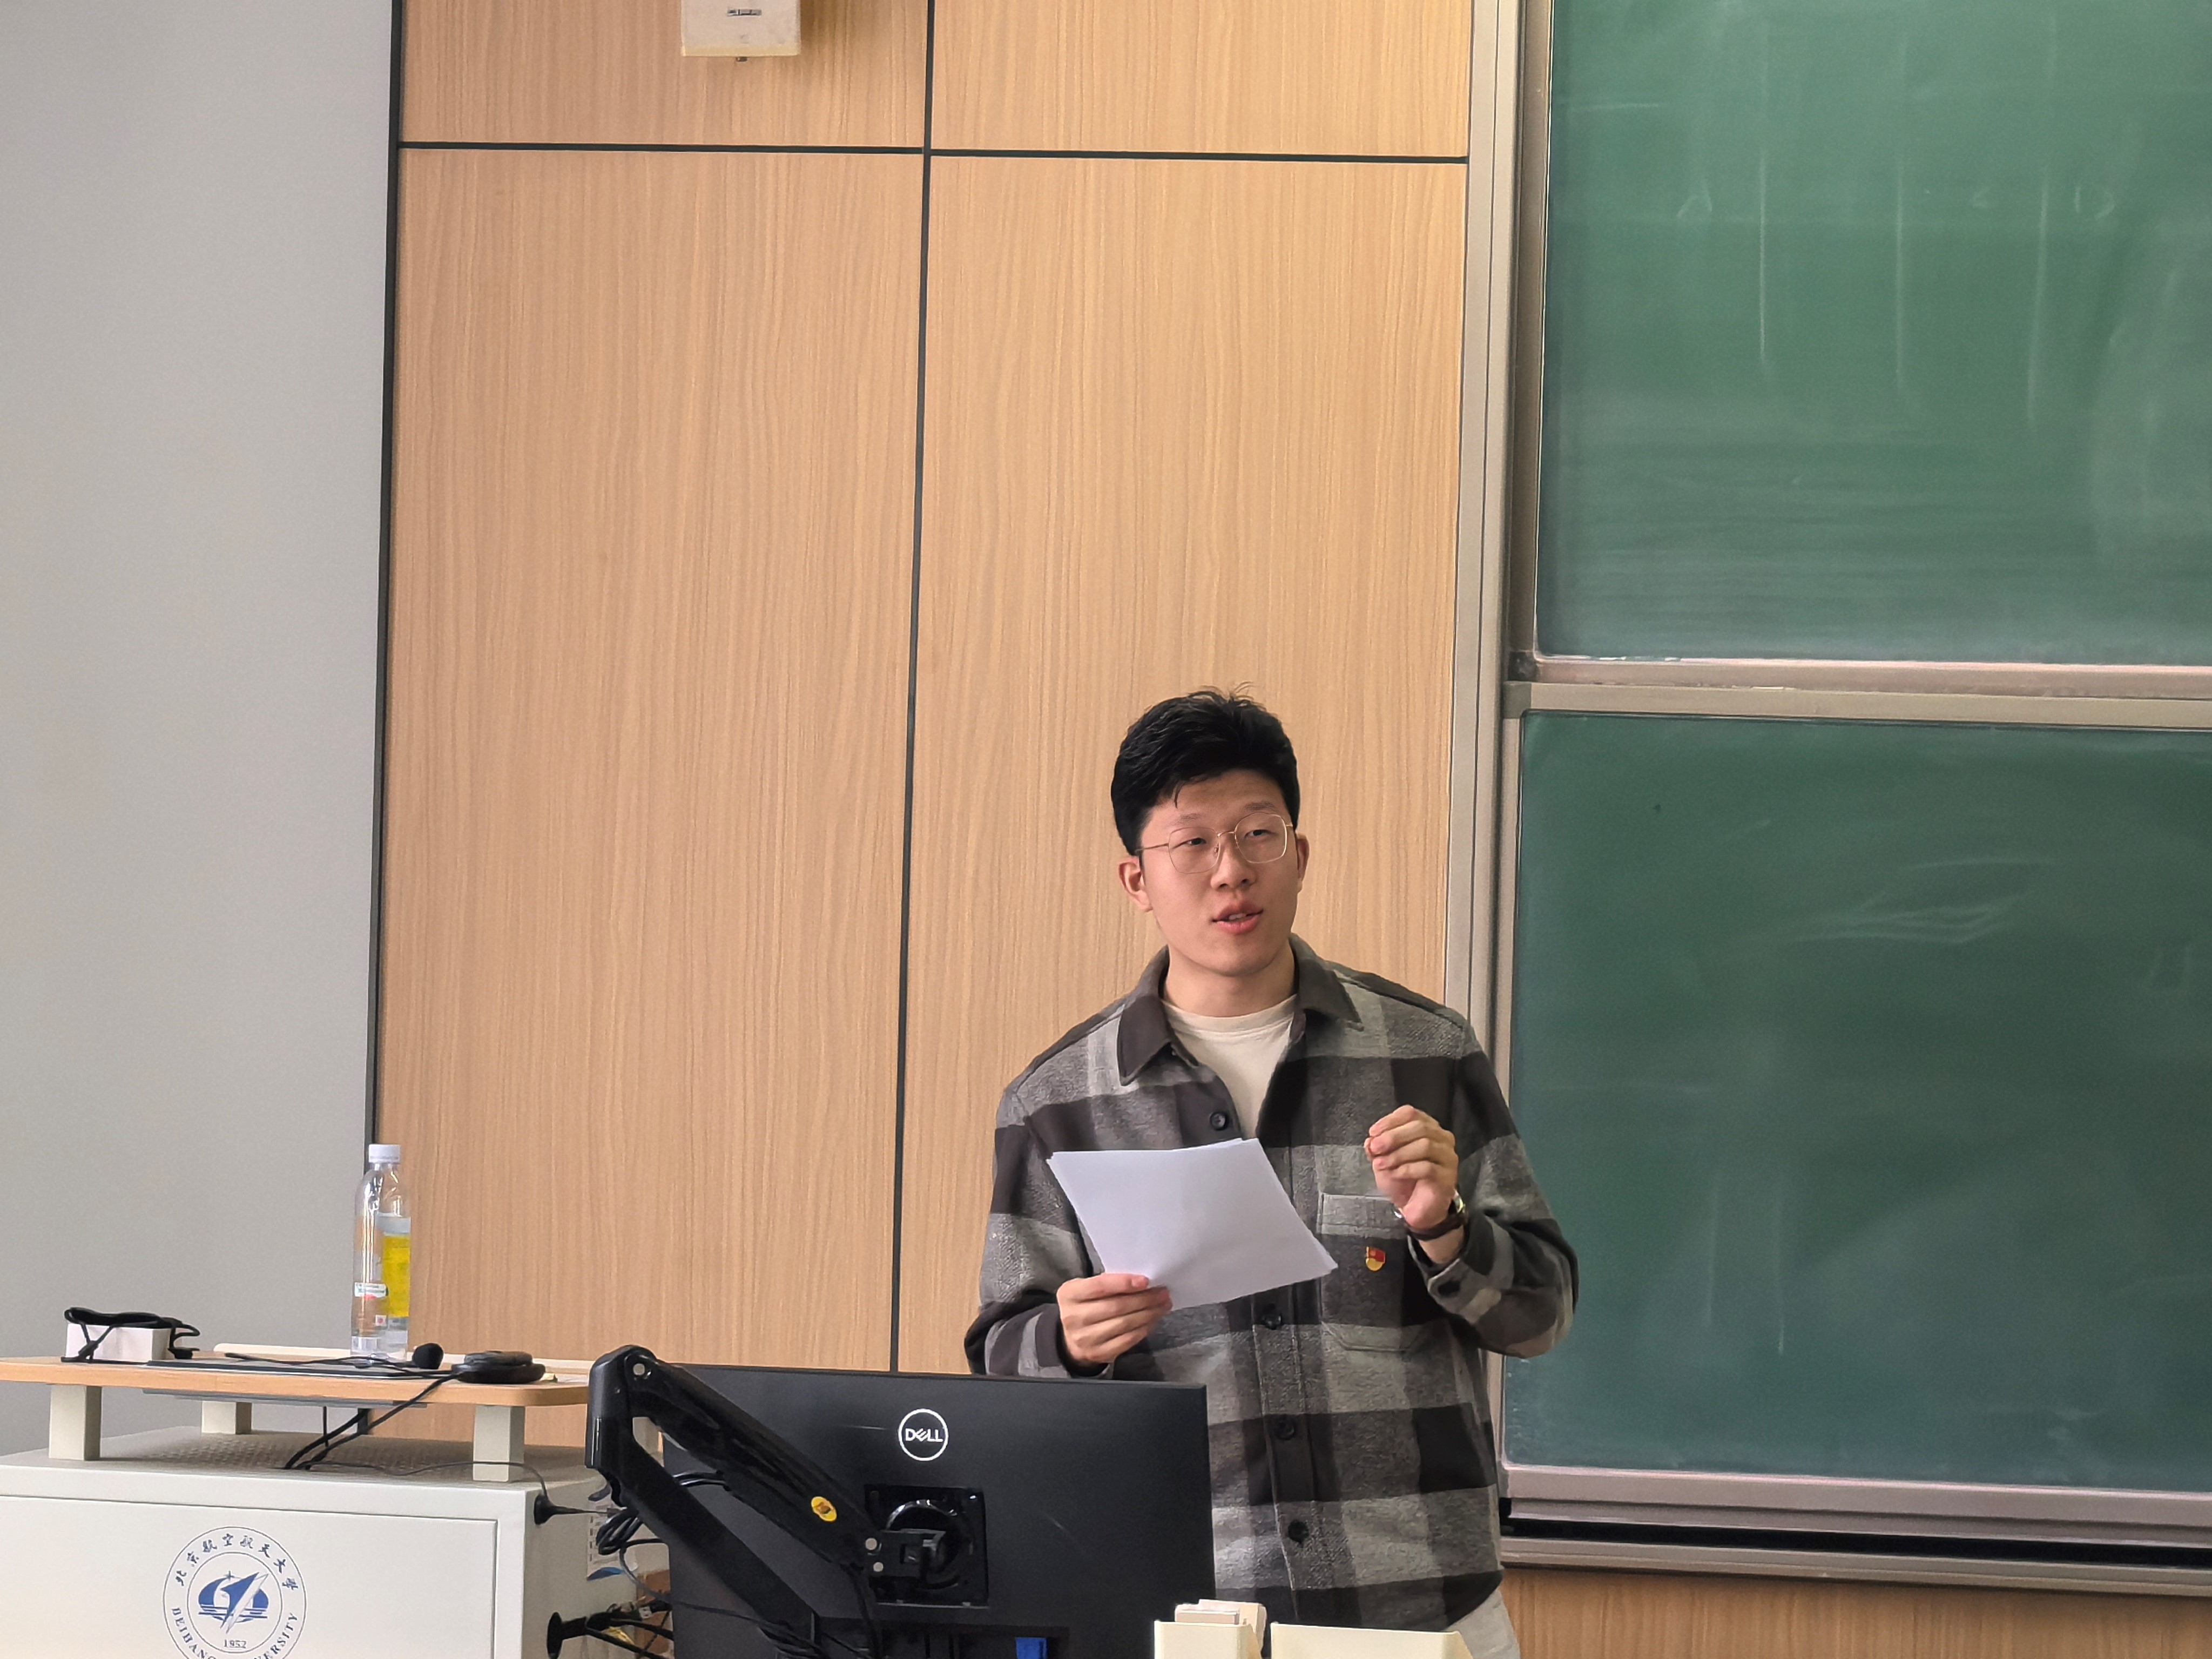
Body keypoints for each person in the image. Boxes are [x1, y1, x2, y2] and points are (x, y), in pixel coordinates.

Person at [966, 690, 1577, 1658]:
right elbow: (1001, 1362)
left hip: (1423, 1612)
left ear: (1300, 854)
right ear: (1137, 879)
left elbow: (1541, 1316)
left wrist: (1448, 1229)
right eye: (1192, 844)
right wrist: (1068, 1343)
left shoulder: (1425, 1054)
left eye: (1259, 833)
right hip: (1190, 1619)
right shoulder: (1059, 1103)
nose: (1231, 871)